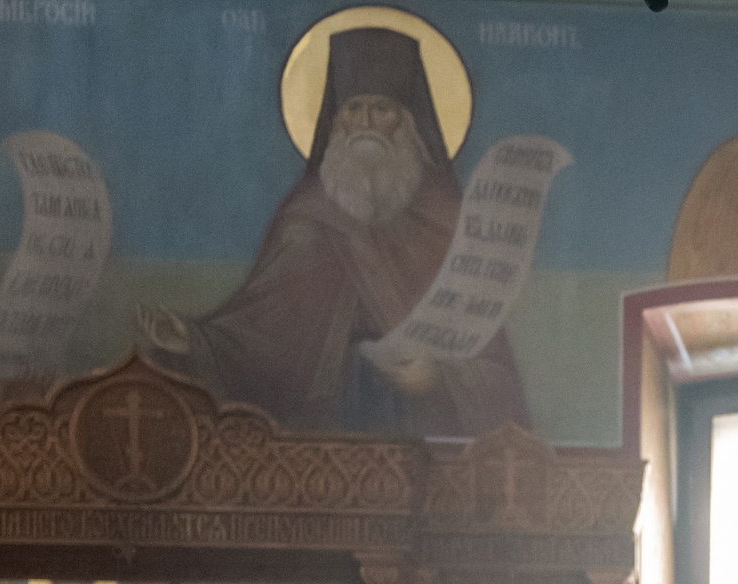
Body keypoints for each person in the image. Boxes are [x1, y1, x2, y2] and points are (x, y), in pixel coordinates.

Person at [136, 27, 529, 436]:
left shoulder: (446, 228)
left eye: (382, 108)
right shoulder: (306, 224)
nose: (365, 123)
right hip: (315, 453)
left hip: (422, 454)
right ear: (334, 120)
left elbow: (498, 380)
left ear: (411, 123)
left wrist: (437, 377)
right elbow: (259, 344)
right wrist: (194, 343)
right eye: (353, 107)